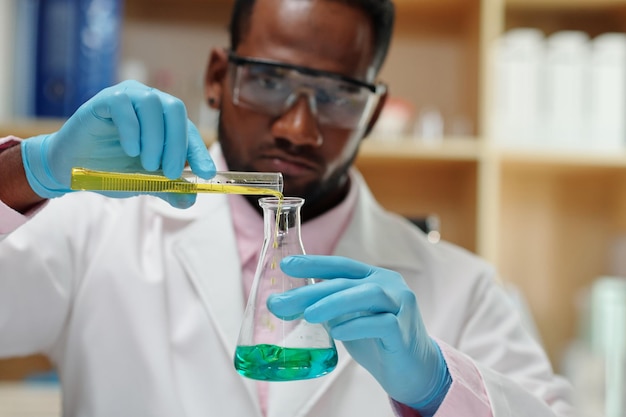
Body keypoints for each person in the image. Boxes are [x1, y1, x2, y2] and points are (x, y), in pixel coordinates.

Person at [0, 0, 574, 416]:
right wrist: (26, 172)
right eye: (271, 82)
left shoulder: (464, 290)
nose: (299, 129)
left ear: (372, 115)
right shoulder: (94, 230)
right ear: (218, 79)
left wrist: (441, 391)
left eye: (337, 96)